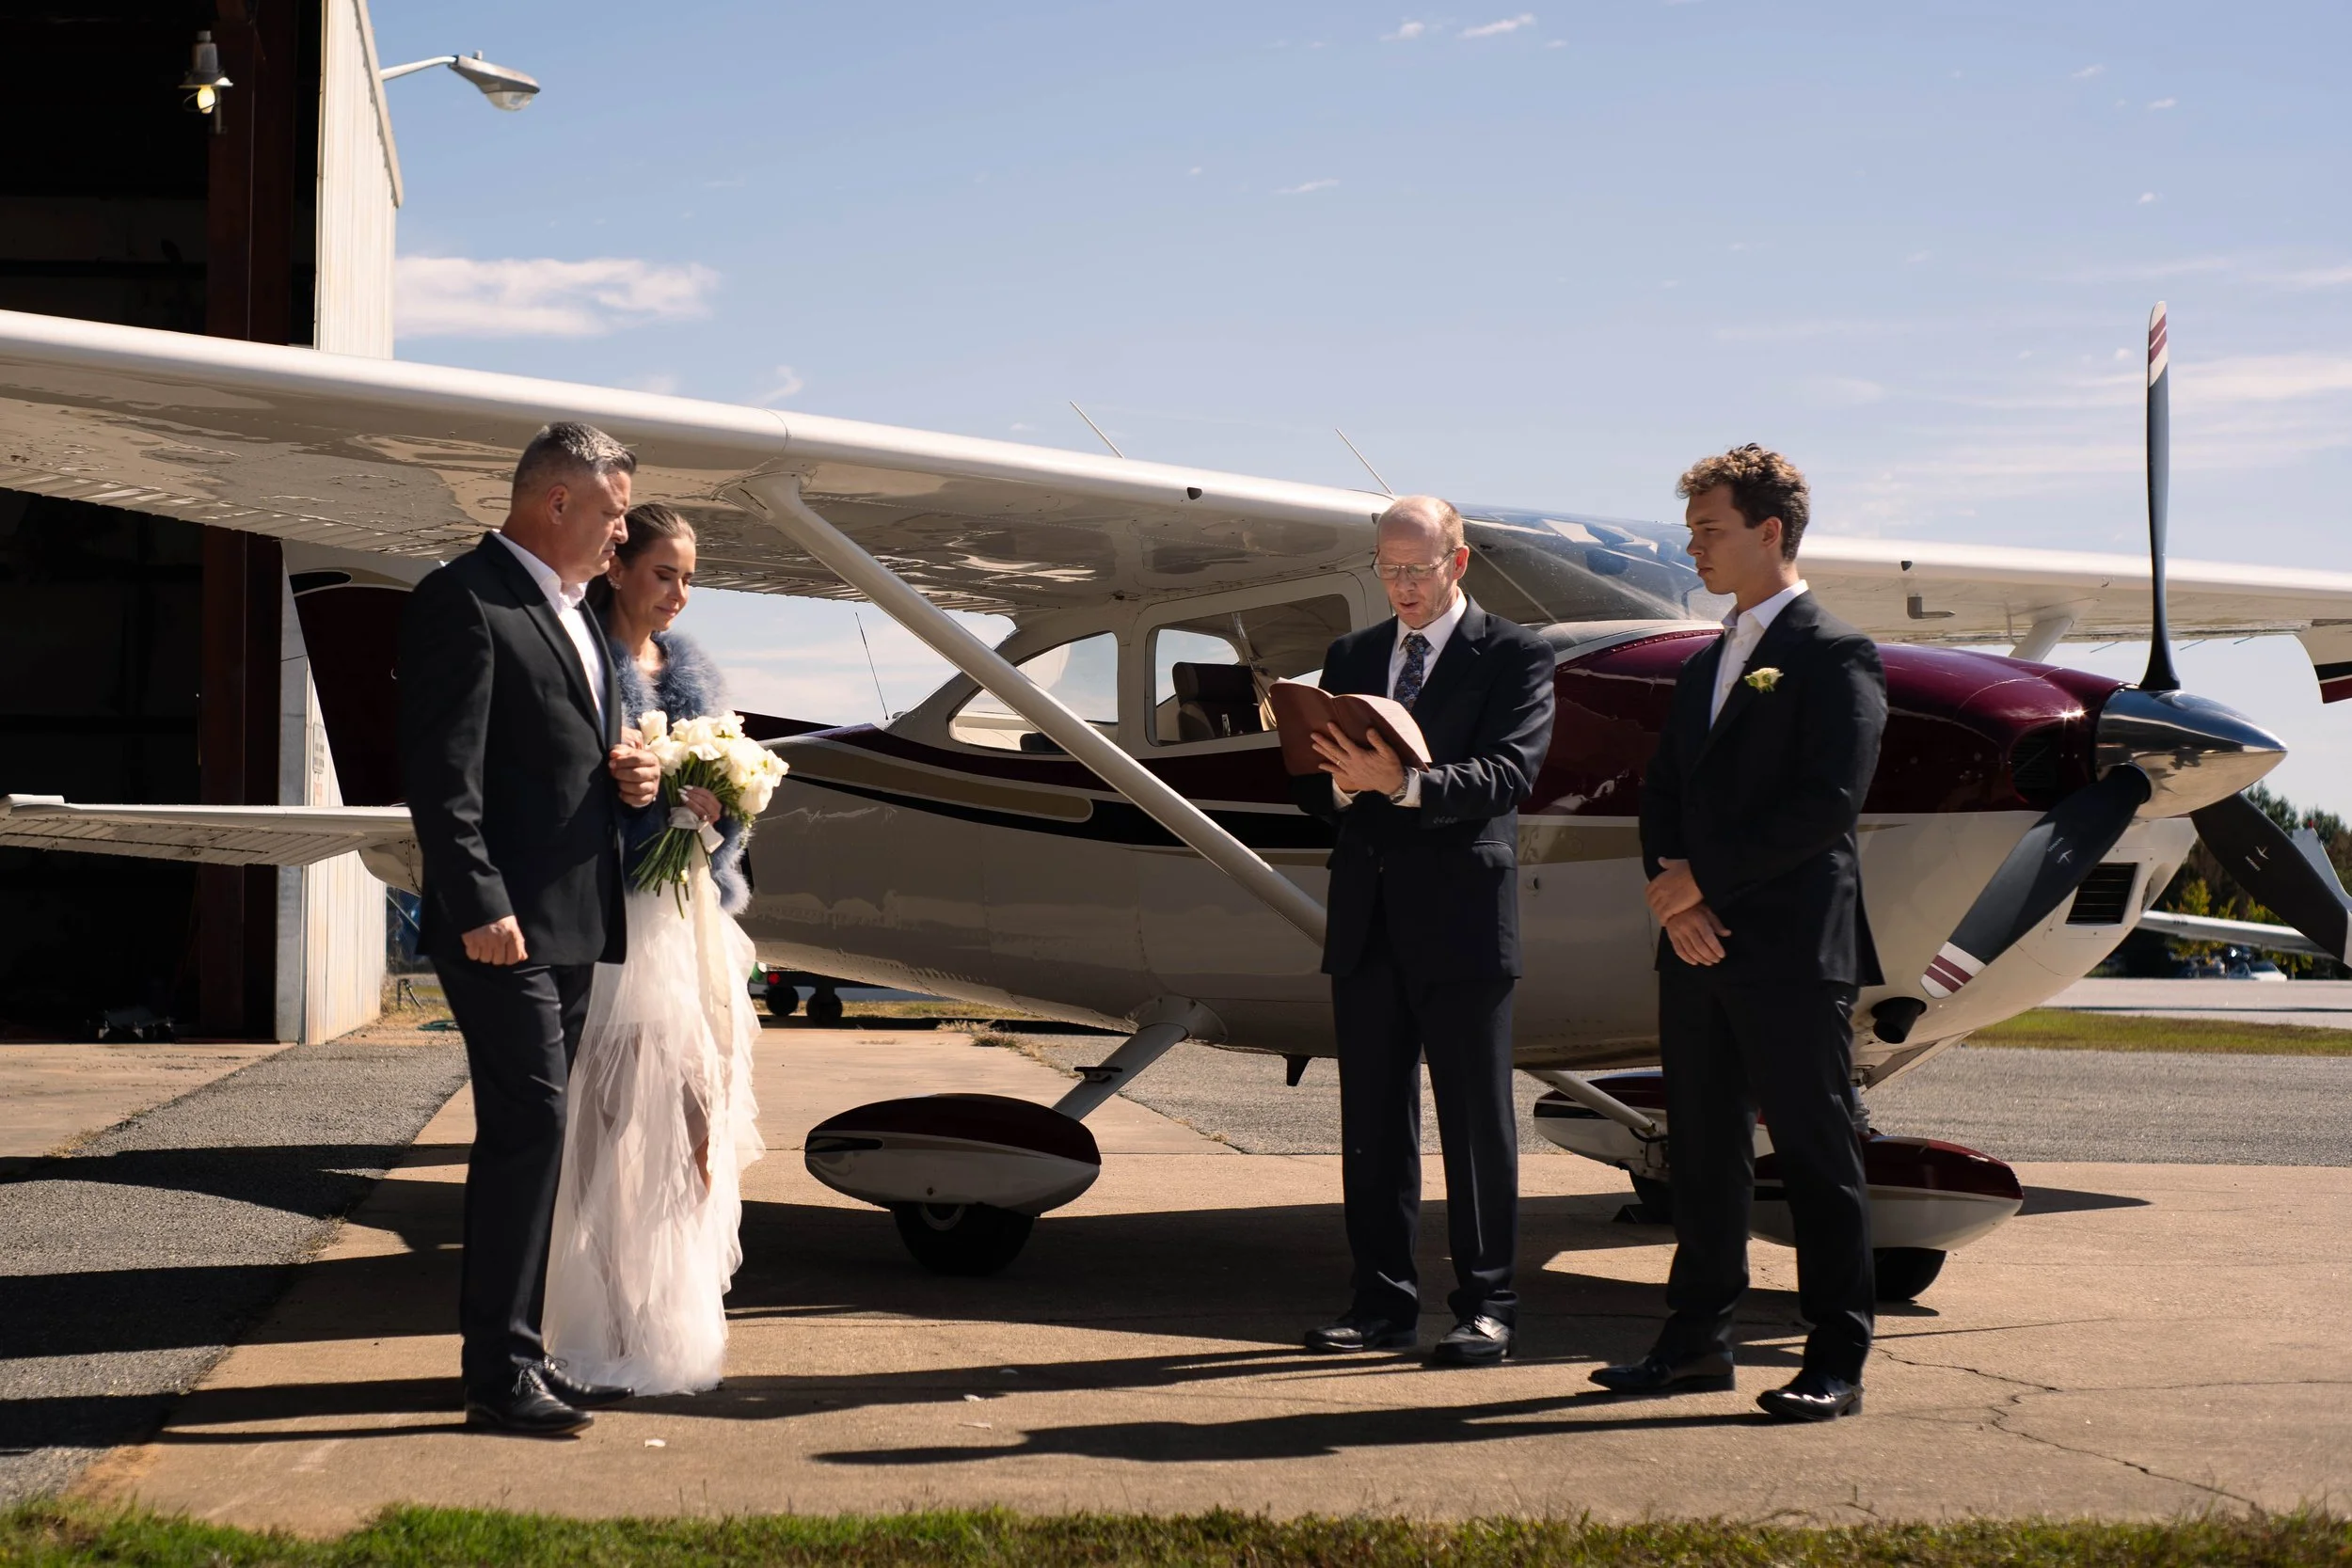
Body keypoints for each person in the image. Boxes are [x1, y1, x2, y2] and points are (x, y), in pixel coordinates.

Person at [1593, 444, 1887, 1422]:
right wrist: (1677, 904)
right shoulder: (1707, 657)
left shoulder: (1834, 652)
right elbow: (1662, 791)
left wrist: (1702, 885)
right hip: (1696, 943)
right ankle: (1691, 1342)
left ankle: (1836, 1356)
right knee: (1704, 1147)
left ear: (1771, 532)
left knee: (1815, 1151)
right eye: (1690, 531)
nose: (1693, 547)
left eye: (1709, 529)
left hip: (1793, 948)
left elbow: (1827, 802)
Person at [397, 421, 660, 1436]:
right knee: (531, 1124)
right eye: (610, 512)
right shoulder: (461, 602)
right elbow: (440, 779)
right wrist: (481, 903)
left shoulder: (582, 615)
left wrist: (631, 772)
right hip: (500, 926)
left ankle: (519, 1353)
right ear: (556, 502)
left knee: (541, 1133)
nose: (620, 531)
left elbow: (573, 755)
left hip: (573, 921)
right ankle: (498, 1373)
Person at [1291, 495, 1556, 1366]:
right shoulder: (1353, 655)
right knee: (1372, 1122)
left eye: (1418, 567)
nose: (1402, 586)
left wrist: (1399, 782)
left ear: (1460, 561)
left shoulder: (1514, 653)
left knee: (1477, 1125)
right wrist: (1340, 781)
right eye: (1389, 568)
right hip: (1366, 921)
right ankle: (1379, 1307)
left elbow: (1508, 773)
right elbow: (1313, 789)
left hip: (1463, 924)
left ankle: (1489, 1308)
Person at [541, 503, 766, 1395]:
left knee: (701, 1113)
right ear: (620, 569)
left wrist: (717, 813)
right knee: (602, 1117)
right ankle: (600, 1308)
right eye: (665, 572)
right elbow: (559, 794)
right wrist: (635, 802)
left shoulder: (697, 678)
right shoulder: (582, 661)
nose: (680, 592)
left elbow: (734, 808)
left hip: (694, 921)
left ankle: (671, 1308)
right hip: (615, 923)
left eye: (689, 576)